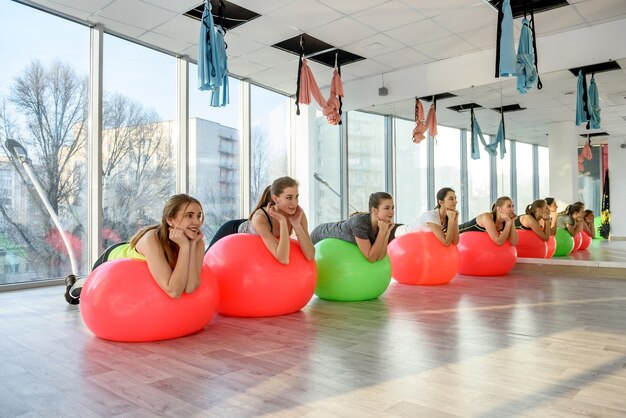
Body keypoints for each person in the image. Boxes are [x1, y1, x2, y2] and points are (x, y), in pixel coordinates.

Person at [64, 194, 205, 304]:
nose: (197, 222)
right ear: (170, 220)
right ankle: (76, 284)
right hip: (110, 261)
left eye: (199, 216)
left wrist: (189, 246)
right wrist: (185, 247)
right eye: (189, 215)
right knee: (80, 292)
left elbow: (191, 287)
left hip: (135, 271)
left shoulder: (196, 241)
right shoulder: (151, 239)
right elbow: (174, 291)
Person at [208, 176, 315, 265]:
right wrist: (282, 221)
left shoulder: (298, 215)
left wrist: (296, 226)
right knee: (205, 263)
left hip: (258, 232)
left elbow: (310, 255)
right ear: (275, 198)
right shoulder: (260, 217)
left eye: (297, 197)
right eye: (289, 198)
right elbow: (283, 258)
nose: (295, 203)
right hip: (232, 231)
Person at [310, 192, 395, 262]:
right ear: (374, 210)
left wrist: (386, 233)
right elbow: (371, 258)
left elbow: (380, 256)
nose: (392, 212)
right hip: (321, 235)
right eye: (387, 208)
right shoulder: (360, 223)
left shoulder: (381, 225)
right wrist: (382, 233)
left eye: (392, 208)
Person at [395, 187, 459, 246]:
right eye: (451, 199)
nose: (455, 201)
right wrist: (451, 220)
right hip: (399, 234)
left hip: (414, 242)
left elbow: (455, 242)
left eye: (455, 198)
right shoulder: (431, 216)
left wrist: (455, 220)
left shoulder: (448, 217)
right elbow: (446, 242)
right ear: (441, 202)